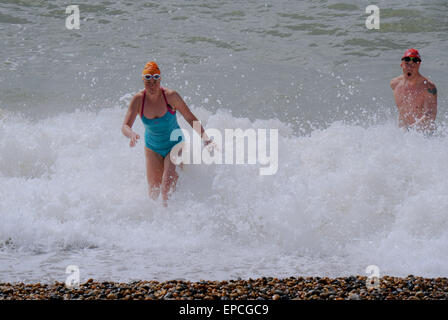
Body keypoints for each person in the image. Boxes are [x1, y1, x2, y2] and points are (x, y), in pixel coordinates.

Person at [122, 61, 212, 206]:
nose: (152, 85)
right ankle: (158, 224)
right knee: (153, 193)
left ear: (160, 79)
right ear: (143, 81)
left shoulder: (171, 96)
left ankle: (174, 218)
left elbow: (190, 117)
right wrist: (131, 134)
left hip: (175, 145)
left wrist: (206, 138)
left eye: (155, 80)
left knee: (166, 188)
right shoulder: (138, 100)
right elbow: (125, 126)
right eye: (148, 81)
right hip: (153, 149)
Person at [390, 48, 437, 133]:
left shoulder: (428, 87)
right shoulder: (395, 84)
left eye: (413, 65)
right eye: (407, 64)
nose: (410, 68)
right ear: (401, 64)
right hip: (403, 134)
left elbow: (430, 115)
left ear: (419, 65)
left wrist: (411, 129)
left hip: (424, 136)